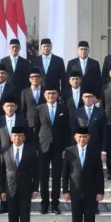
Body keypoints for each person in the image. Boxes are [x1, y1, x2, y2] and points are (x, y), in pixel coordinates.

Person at [62, 128, 105, 222]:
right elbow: (65, 173)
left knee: (89, 220)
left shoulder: (94, 151)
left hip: (91, 192)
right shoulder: (69, 151)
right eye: (80, 136)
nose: (82, 139)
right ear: (75, 137)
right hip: (75, 192)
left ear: (88, 138)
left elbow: (99, 174)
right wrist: (65, 190)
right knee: (76, 220)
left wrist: (100, 191)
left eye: (85, 137)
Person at [0, 127, 39, 222]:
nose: (17, 138)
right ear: (11, 138)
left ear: (24, 137)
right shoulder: (5, 151)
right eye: (15, 136)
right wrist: (2, 191)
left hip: (26, 189)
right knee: (12, 219)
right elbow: (2, 173)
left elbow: (36, 172)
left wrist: (35, 189)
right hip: (10, 189)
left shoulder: (31, 151)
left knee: (25, 219)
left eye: (20, 136)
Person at [34, 85, 70, 215]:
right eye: (48, 93)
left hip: (58, 147)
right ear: (44, 95)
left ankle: (55, 204)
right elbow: (35, 129)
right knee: (43, 176)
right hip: (43, 146)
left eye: (53, 93)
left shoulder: (63, 109)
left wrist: (66, 148)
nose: (51, 96)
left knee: (56, 176)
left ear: (57, 95)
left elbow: (67, 130)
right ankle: (44, 204)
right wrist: (35, 147)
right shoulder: (39, 109)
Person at [71, 89, 108, 167]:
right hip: (81, 147)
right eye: (85, 97)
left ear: (94, 98)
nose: (87, 99)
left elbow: (104, 132)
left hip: (96, 147)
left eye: (90, 97)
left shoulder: (101, 112)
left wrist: (104, 151)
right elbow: (73, 132)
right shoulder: (77, 112)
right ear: (82, 98)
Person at [20, 68, 46, 138]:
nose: (35, 78)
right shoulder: (24, 92)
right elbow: (23, 109)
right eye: (32, 77)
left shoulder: (46, 90)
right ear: (29, 79)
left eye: (37, 76)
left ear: (41, 79)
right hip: (30, 123)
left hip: (44, 122)